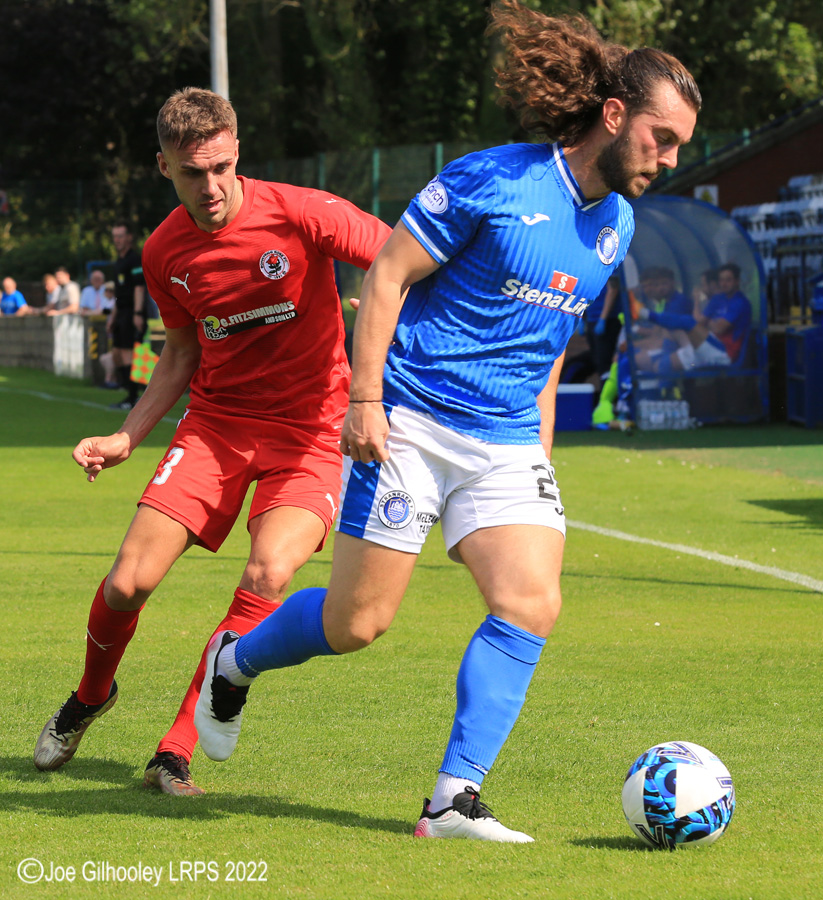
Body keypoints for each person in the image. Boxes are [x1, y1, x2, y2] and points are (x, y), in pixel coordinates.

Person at [193, 0, 700, 842]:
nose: (670, 157)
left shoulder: (615, 226)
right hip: (412, 423)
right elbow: (385, 278)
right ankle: (233, 661)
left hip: (503, 441)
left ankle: (452, 800)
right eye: (662, 136)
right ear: (614, 116)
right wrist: (363, 401)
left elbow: (546, 347)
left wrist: (538, 461)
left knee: (531, 600)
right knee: (358, 623)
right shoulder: (491, 180)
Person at [33, 87, 390, 795]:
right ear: (163, 165)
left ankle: (176, 748)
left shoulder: (301, 212)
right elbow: (180, 353)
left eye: (222, 166)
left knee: (268, 575)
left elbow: (405, 258)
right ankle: (91, 694)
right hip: (217, 427)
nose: (211, 185)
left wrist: (382, 308)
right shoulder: (166, 250)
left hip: (312, 433)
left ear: (237, 153)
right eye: (192, 172)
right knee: (128, 581)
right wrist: (127, 435)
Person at [638, 262, 751, 371]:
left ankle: (644, 314)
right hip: (707, 344)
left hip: (724, 352)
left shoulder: (739, 302)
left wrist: (707, 322)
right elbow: (701, 321)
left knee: (687, 322)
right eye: (721, 280)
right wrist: (710, 322)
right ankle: (667, 391)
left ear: (737, 281)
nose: (724, 284)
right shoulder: (719, 299)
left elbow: (718, 328)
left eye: (728, 280)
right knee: (662, 365)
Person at [107, 222, 146, 410]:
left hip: (132, 311)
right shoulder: (118, 262)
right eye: (115, 236)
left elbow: (139, 287)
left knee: (128, 353)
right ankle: (129, 392)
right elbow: (117, 293)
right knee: (116, 354)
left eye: (120, 236)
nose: (117, 240)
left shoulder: (134, 260)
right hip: (121, 312)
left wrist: (138, 313)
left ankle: (132, 397)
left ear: (129, 237)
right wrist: (112, 317)